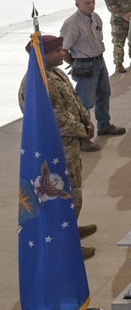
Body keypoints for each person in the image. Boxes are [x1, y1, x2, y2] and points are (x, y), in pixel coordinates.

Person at [19, 35, 98, 257]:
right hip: (56, 149)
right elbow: (56, 118)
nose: (63, 54)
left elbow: (73, 98)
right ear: (42, 56)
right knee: (63, 194)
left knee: (74, 191)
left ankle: (70, 227)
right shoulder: (37, 84)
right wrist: (83, 130)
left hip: (70, 147)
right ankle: (64, 244)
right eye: (57, 51)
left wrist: (86, 120)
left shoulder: (55, 72)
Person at [60, 0, 125, 137]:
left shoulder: (95, 17)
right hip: (85, 65)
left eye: (93, 2)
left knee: (104, 94)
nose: (92, 6)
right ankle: (83, 134)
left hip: (99, 61)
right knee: (85, 101)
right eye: (87, 3)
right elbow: (63, 49)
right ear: (77, 4)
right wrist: (75, 63)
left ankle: (104, 125)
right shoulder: (72, 24)